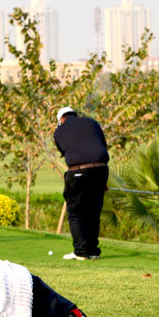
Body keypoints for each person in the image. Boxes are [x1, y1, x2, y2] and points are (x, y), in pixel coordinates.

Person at [53, 106, 109, 260]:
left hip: (78, 171)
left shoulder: (59, 130)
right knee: (93, 211)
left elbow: (64, 151)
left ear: (61, 119)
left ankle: (80, 251)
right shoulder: (92, 122)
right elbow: (102, 144)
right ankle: (92, 251)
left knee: (76, 212)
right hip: (101, 170)